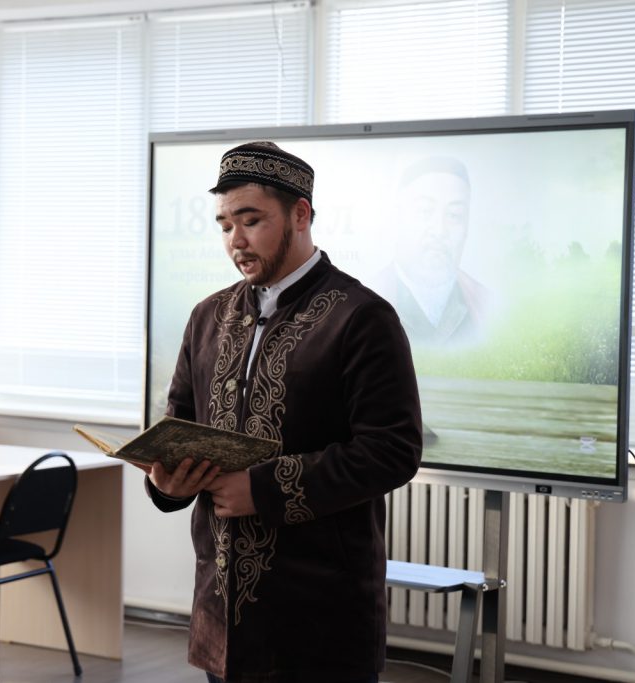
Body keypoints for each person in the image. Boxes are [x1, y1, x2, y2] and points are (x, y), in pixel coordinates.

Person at [141, 140, 423, 683]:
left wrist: (262, 489)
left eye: (252, 221)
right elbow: (179, 427)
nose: (236, 240)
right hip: (221, 614)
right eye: (226, 225)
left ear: (300, 214)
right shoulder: (207, 316)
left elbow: (392, 451)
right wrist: (167, 485)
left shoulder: (362, 317)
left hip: (320, 620)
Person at [373, 156, 490, 347]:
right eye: (424, 211)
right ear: (398, 218)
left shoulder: (485, 305)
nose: (439, 230)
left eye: (454, 215)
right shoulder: (365, 298)